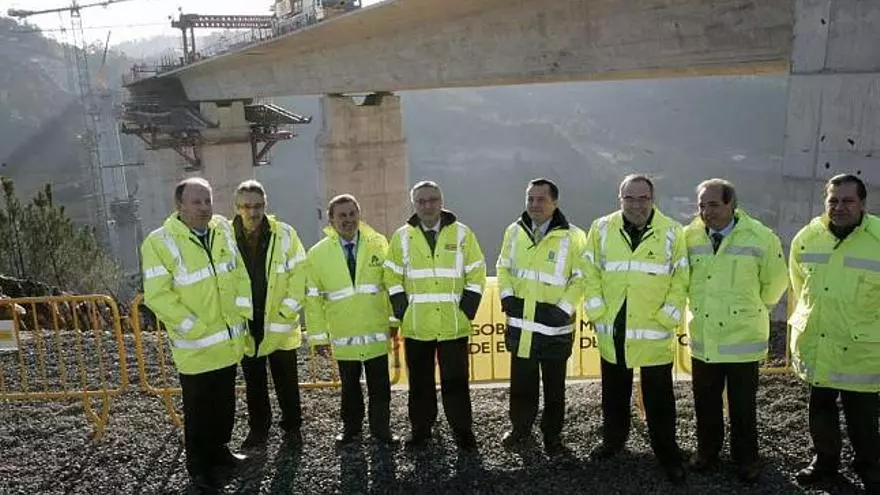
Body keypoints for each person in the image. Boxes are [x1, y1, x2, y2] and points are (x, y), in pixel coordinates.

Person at [141, 177, 252, 492]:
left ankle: (220, 452)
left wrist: (243, 315)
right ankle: (200, 468)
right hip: (196, 347)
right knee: (199, 411)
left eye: (207, 200)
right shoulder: (159, 242)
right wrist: (194, 328)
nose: (204, 208)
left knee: (224, 405)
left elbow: (238, 273)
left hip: (227, 341)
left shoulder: (222, 229)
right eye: (196, 202)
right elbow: (158, 296)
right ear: (180, 206)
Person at [582, 173, 689, 484]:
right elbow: (589, 270)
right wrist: (596, 310)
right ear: (620, 199)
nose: (636, 205)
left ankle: (666, 452)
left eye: (643, 198)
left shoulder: (671, 231)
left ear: (653, 199)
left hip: (653, 328)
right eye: (629, 198)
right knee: (614, 392)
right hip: (614, 326)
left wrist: (669, 316)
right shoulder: (601, 228)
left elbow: (681, 277)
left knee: (659, 398)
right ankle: (613, 442)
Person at [683, 178, 788, 481]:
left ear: (731, 204)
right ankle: (707, 451)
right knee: (705, 401)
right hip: (705, 336)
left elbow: (775, 282)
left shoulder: (760, 237)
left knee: (742, 405)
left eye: (714, 205)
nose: (707, 212)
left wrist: (754, 308)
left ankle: (746, 459)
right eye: (702, 205)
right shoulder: (689, 237)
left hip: (743, 338)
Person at [789, 173, 879, 494]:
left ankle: (870, 466)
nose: (839, 207)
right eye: (833, 201)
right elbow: (800, 285)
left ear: (862, 203)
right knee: (820, 410)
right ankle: (825, 461)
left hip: (861, 349)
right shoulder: (807, 237)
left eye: (848, 201)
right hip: (819, 341)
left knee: (863, 417)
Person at [384, 180, 486, 451]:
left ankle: (462, 431)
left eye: (432, 200)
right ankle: (421, 429)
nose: (427, 206)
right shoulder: (402, 237)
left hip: (453, 324)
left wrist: (467, 309)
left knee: (456, 383)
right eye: (421, 201)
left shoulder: (462, 234)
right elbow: (391, 275)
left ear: (441, 201)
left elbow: (476, 271)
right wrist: (402, 310)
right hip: (417, 325)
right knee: (420, 385)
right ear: (414, 204)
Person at [496, 178, 585, 454]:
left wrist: (564, 309)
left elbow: (581, 277)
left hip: (554, 327)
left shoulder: (573, 236)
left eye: (541, 199)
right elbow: (503, 266)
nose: (534, 204)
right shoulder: (514, 231)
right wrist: (507, 296)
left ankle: (552, 436)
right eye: (530, 199)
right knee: (522, 384)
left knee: (554, 387)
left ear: (554, 202)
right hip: (521, 324)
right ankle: (520, 429)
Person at [305, 194, 398, 446]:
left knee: (380, 387)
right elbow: (312, 299)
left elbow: (390, 284)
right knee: (349, 388)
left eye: (352, 214)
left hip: (375, 331)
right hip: (344, 334)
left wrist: (393, 322)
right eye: (342, 215)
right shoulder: (317, 254)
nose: (348, 220)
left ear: (359, 215)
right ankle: (351, 430)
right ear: (331, 220)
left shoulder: (379, 244)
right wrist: (318, 338)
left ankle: (381, 429)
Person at [232, 180, 306, 450]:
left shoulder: (284, 234)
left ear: (266, 205)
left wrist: (287, 310)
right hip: (246, 322)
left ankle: (292, 428)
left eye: (258, 206)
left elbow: (300, 275)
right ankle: (259, 430)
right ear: (237, 207)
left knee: (287, 380)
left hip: (279, 322)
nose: (253, 212)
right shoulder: (225, 236)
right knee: (254, 383)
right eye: (247, 206)